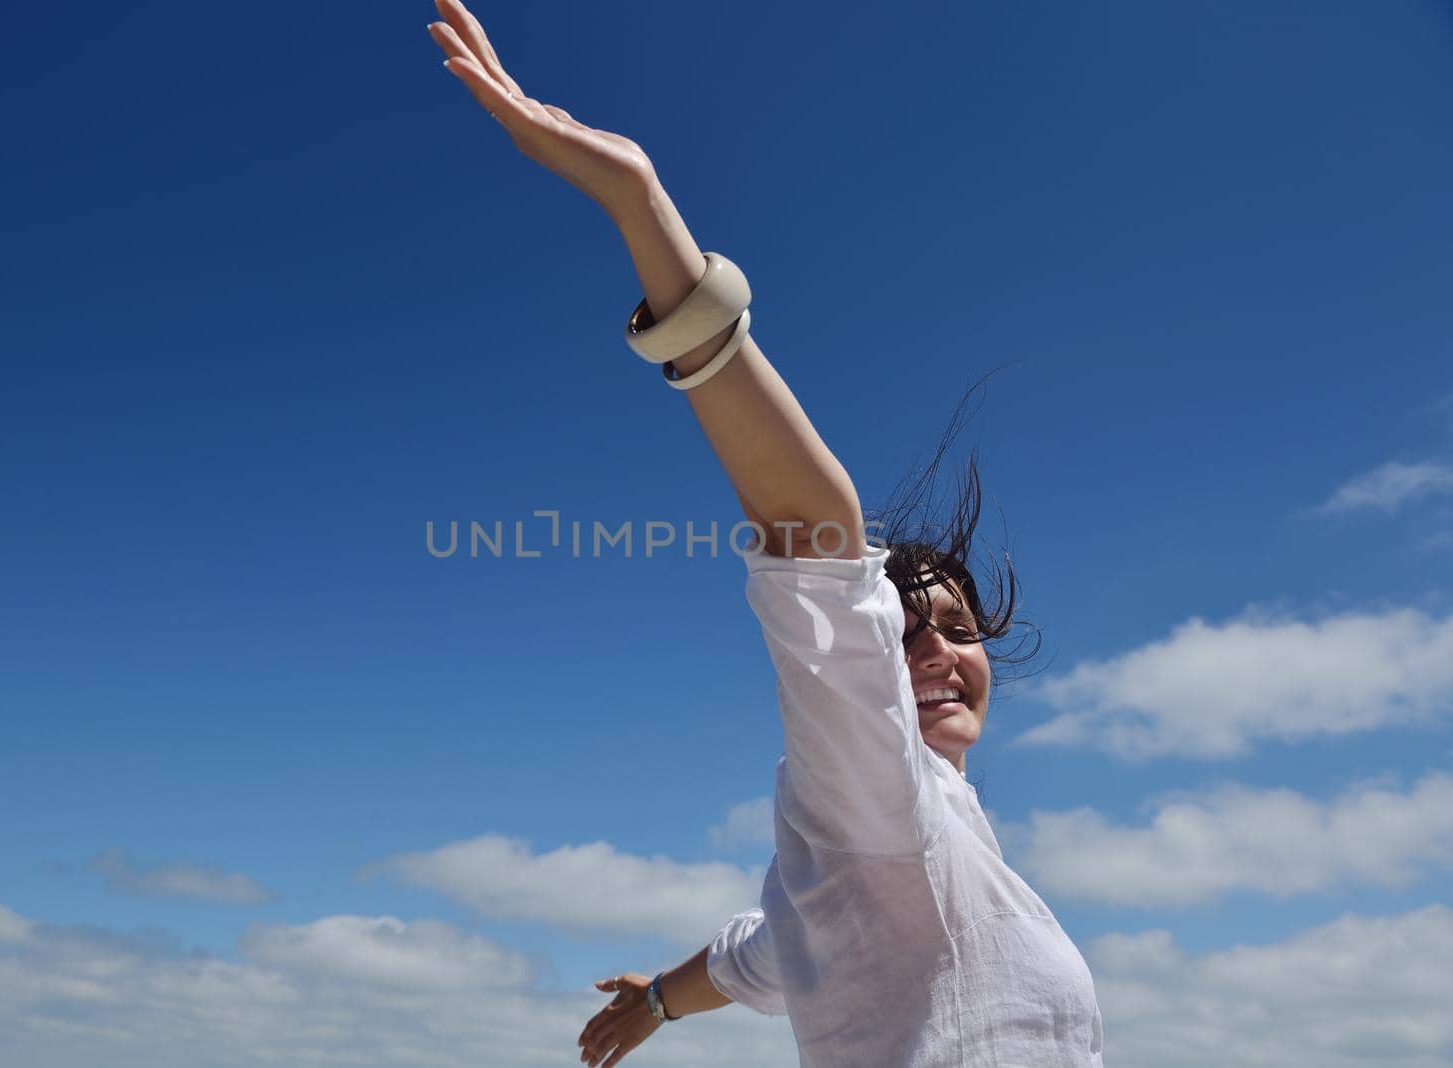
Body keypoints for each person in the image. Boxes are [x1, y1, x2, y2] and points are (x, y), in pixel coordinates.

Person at [427, 3, 1104, 1064]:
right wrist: (641, 205)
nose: (935, 652)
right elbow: (812, 532)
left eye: (957, 629)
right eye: (904, 629)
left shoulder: (893, 857)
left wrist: (655, 1000)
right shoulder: (881, 799)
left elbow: (763, 954)